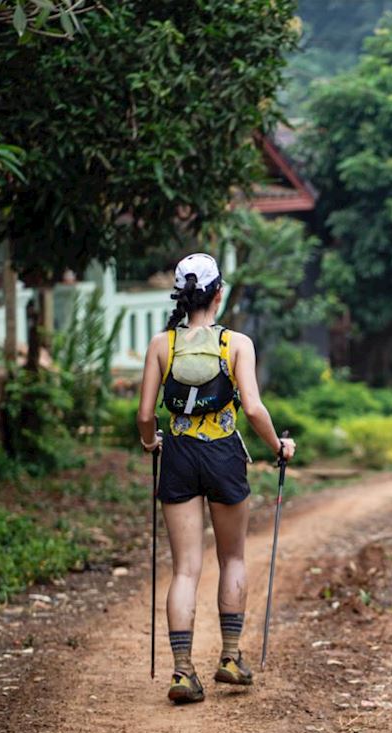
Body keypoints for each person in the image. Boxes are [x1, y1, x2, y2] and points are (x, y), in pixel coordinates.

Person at [136, 253, 296, 705]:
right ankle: (229, 658)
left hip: (180, 455)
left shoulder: (161, 345)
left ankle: (183, 671)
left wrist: (152, 443)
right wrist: (278, 447)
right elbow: (252, 408)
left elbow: (146, 415)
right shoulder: (237, 344)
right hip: (224, 454)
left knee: (185, 568)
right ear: (218, 293)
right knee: (233, 559)